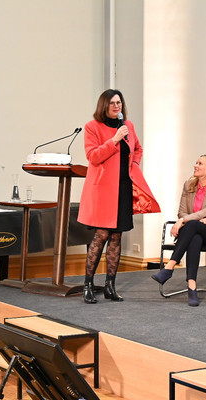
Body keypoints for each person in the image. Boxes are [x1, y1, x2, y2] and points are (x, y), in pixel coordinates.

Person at [78, 89, 160, 304]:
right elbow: (93, 157)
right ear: (104, 105)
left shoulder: (128, 126)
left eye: (119, 103)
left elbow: (138, 149)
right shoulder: (92, 127)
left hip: (123, 188)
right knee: (101, 236)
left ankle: (110, 286)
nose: (117, 106)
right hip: (104, 190)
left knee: (116, 237)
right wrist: (114, 139)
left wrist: (133, 165)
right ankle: (88, 285)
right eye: (112, 103)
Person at [150, 155, 206, 307]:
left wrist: (183, 221)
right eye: (196, 162)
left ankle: (169, 267)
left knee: (192, 227)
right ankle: (192, 286)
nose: (195, 165)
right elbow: (182, 211)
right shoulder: (189, 185)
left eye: (200, 163)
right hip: (195, 230)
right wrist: (188, 219)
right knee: (195, 237)